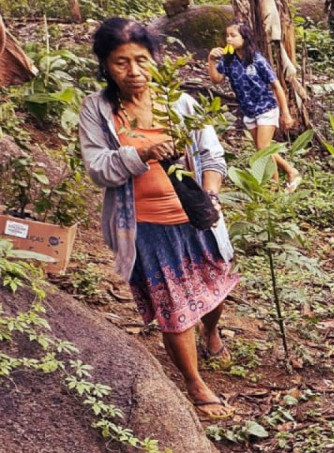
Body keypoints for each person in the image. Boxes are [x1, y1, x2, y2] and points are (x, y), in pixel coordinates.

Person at [80, 17, 238, 419]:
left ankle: (211, 328)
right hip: (145, 226)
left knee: (215, 286)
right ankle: (194, 383)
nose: (133, 72)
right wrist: (143, 154)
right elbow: (98, 168)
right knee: (173, 305)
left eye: (141, 60)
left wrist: (213, 194)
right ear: (105, 65)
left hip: (196, 216)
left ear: (156, 60)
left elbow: (212, 156)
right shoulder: (98, 112)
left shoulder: (181, 103)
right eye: (120, 62)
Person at [207, 22, 300, 191]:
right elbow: (216, 79)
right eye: (227, 35)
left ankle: (275, 185)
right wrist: (211, 60)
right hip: (248, 111)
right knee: (262, 149)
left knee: (263, 149)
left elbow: (277, 86)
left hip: (266, 108)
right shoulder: (228, 61)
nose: (229, 39)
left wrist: (285, 113)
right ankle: (288, 173)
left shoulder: (257, 60)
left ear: (245, 37)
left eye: (233, 36)